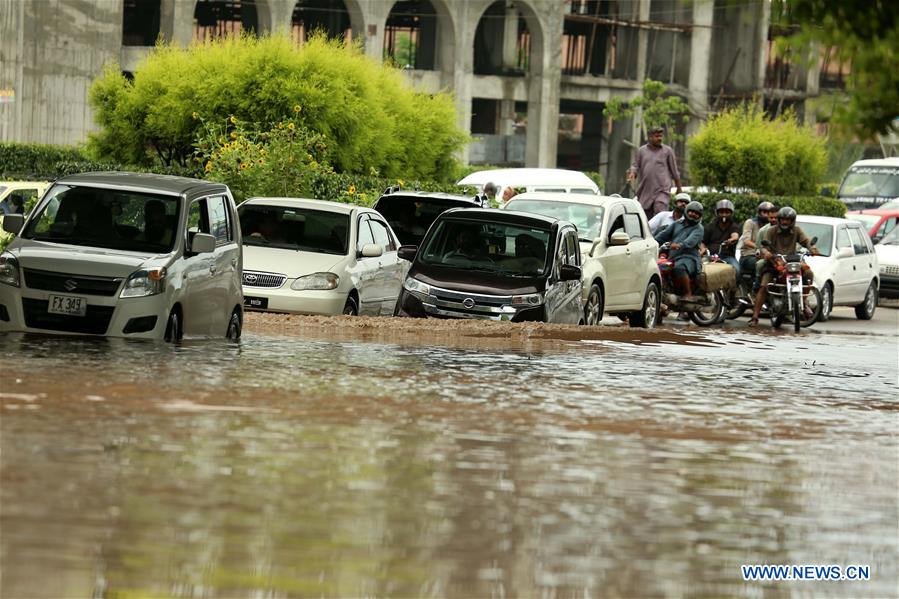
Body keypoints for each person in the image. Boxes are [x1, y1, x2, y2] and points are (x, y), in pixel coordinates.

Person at [749, 206, 819, 327]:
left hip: (792, 262)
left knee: (808, 274)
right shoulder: (771, 231)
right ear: (779, 220)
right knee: (765, 285)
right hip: (774, 263)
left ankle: (803, 302)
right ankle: (755, 316)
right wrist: (767, 253)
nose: (785, 222)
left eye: (788, 220)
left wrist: (811, 248)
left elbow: (806, 241)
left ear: (793, 220)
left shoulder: (797, 230)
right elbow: (763, 246)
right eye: (782, 219)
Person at [626, 125, 683, 219]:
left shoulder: (667, 151)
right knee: (645, 219)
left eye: (661, 136)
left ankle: (661, 232)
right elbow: (635, 166)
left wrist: (679, 188)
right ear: (650, 137)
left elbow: (674, 171)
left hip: (662, 190)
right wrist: (632, 173)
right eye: (657, 136)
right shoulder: (642, 151)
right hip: (646, 191)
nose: (659, 138)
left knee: (660, 213)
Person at [654, 200, 704, 300]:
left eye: (696, 213)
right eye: (691, 211)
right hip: (673, 257)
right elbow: (663, 235)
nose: (693, 214)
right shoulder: (677, 224)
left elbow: (690, 242)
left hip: (689, 258)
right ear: (686, 211)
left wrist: (678, 245)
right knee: (659, 268)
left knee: (679, 267)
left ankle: (687, 293)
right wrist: (651, 242)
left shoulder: (699, 228)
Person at [702, 199, 741, 275]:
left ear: (731, 213)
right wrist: (703, 249)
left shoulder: (734, 226)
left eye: (727, 212)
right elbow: (702, 242)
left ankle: (736, 286)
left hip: (728, 257)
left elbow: (735, 235)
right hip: (711, 256)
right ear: (717, 213)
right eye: (721, 212)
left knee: (737, 270)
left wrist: (732, 240)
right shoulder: (710, 226)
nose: (724, 215)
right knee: (701, 269)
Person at [737, 201, 776, 278]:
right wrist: (760, 248)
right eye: (764, 212)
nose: (766, 215)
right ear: (759, 212)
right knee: (762, 264)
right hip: (749, 255)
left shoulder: (773, 226)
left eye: (769, 213)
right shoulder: (750, 222)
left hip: (768, 255)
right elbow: (746, 241)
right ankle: (757, 286)